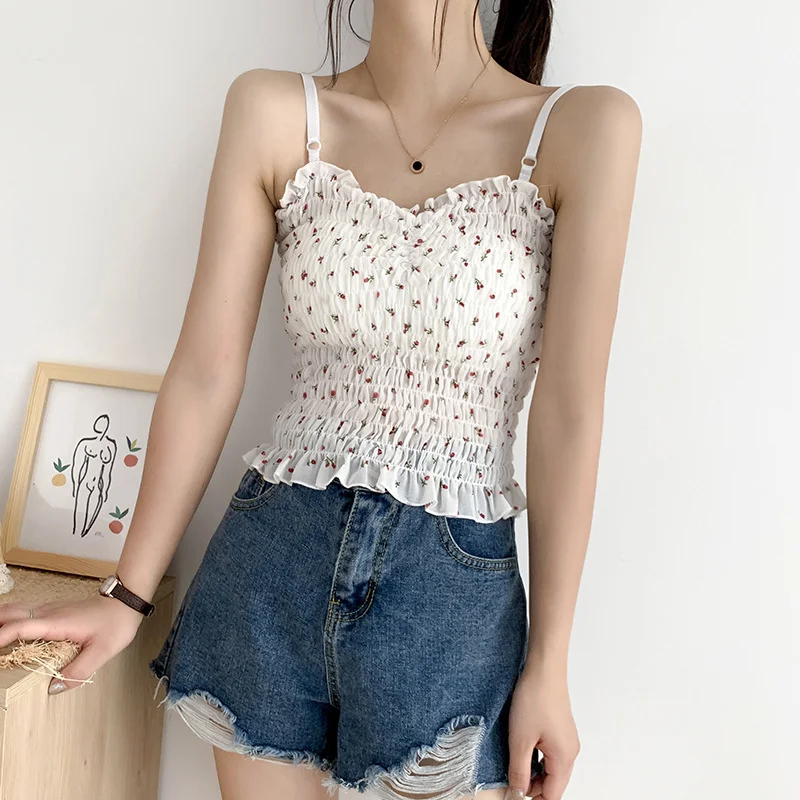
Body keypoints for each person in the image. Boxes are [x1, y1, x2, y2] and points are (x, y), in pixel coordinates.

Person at [0, 1, 642, 798]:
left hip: (450, 607)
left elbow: (570, 414)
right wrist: (125, 596)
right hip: (268, 569)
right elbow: (205, 371)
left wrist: (549, 664)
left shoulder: (585, 127)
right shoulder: (273, 111)